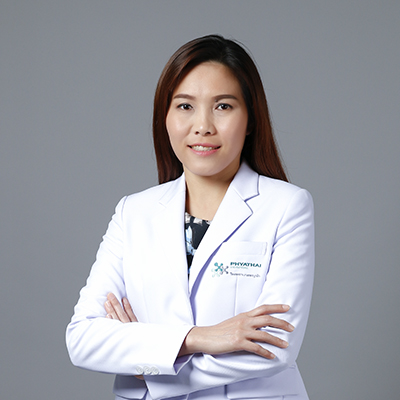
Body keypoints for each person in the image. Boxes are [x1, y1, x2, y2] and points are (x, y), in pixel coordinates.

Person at [66, 34, 315, 400]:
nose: (203, 126)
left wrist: (146, 361)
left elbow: (274, 346)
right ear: (164, 118)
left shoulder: (286, 206)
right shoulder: (133, 212)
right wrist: (199, 338)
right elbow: (83, 339)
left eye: (223, 106)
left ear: (250, 119)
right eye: (185, 106)